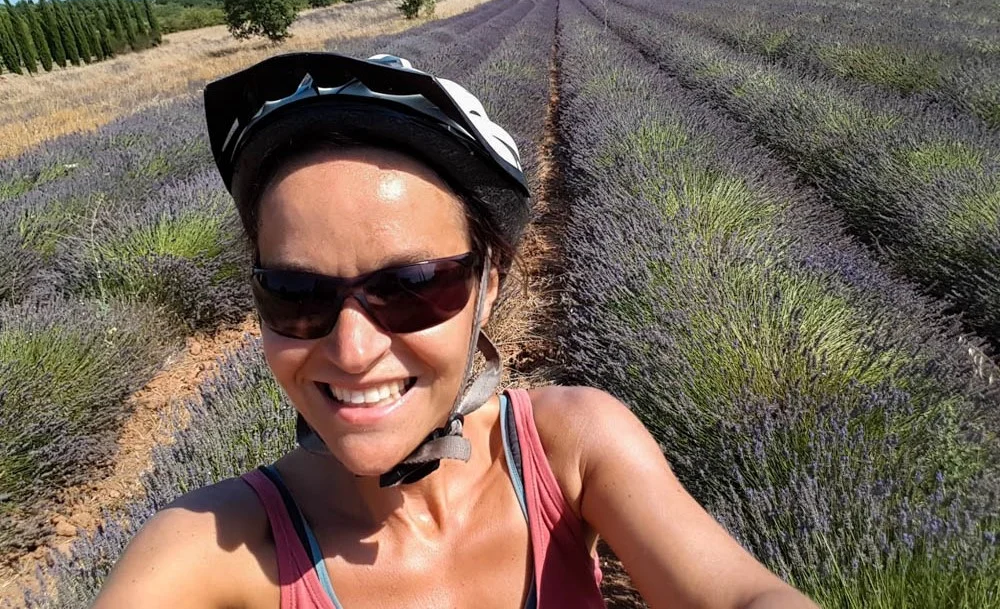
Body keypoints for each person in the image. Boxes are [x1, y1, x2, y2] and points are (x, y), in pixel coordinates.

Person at [93, 52, 820, 609]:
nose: (352, 348)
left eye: (410, 288)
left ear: (488, 286)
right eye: (295, 293)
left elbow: (738, 594)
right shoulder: (208, 548)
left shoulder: (573, 450)